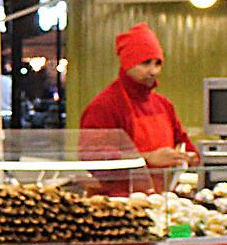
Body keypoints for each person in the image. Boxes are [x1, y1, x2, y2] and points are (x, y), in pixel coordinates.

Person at [78, 23, 198, 191]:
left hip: (163, 198)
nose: (153, 71)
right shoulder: (104, 106)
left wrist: (191, 157)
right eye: (145, 63)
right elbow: (92, 156)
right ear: (127, 64)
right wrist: (147, 158)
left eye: (158, 63)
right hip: (120, 199)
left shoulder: (164, 105)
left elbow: (183, 140)